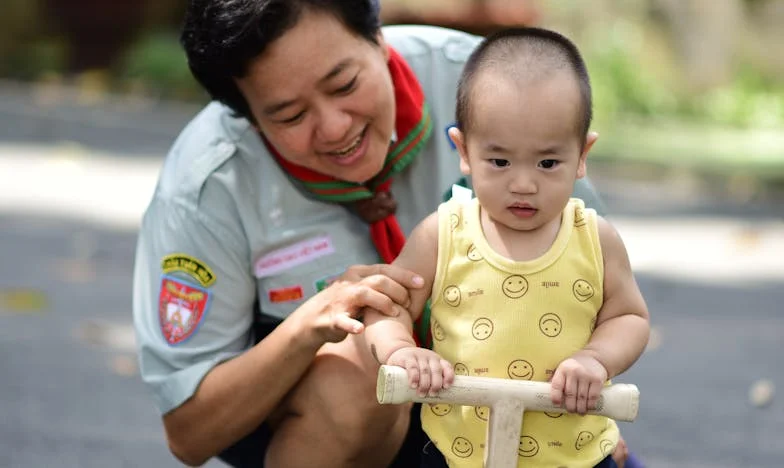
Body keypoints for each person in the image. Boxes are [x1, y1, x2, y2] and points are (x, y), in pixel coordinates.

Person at [131, 1, 617, 467]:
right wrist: (309, 324)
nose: (334, 126)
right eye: (290, 116)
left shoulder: (502, 91)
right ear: (249, 118)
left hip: (497, 408)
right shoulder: (207, 184)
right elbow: (190, 435)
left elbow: (593, 290)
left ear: (379, 40)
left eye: (344, 84)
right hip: (316, 423)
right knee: (358, 374)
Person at [364, 27, 650, 468]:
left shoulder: (595, 238)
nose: (523, 183)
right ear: (463, 150)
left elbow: (629, 317)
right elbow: (388, 306)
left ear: (581, 155)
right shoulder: (444, 233)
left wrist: (596, 359)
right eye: (498, 161)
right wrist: (402, 349)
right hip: (458, 452)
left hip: (573, 452)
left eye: (548, 162)